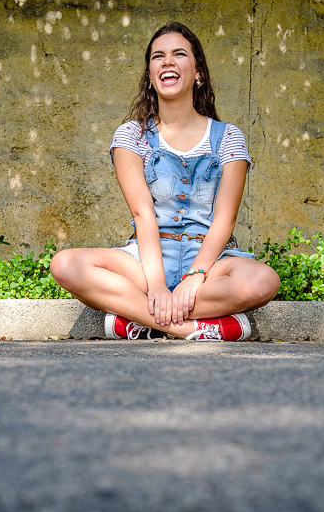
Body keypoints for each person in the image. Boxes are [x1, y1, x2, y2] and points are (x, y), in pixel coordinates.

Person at [49, 21, 280, 340]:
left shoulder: (228, 137)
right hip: (147, 260)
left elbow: (224, 220)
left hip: (210, 263)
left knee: (263, 281)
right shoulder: (131, 135)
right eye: (158, 56)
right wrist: (157, 284)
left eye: (179, 54)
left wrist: (195, 276)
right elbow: (143, 213)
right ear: (150, 74)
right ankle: (197, 328)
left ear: (198, 72)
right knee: (65, 264)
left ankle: (137, 322)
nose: (167, 61)